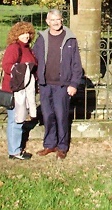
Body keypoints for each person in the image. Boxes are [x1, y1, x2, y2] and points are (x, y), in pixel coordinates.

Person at [32, 8, 83, 159]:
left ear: (62, 20)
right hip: (45, 84)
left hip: (63, 85)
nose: (56, 22)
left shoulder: (70, 39)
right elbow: (34, 59)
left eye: (58, 19)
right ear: (47, 22)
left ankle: (62, 146)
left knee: (61, 116)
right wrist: (35, 79)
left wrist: (74, 84)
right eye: (52, 20)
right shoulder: (41, 38)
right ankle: (49, 144)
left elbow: (76, 64)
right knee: (47, 115)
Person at [1, 21, 38, 160]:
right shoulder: (14, 48)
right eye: (23, 33)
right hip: (15, 90)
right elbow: (7, 66)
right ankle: (14, 152)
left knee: (19, 119)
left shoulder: (28, 48)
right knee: (16, 120)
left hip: (24, 90)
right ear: (16, 35)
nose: (26, 36)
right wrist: (23, 70)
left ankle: (15, 149)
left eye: (28, 33)